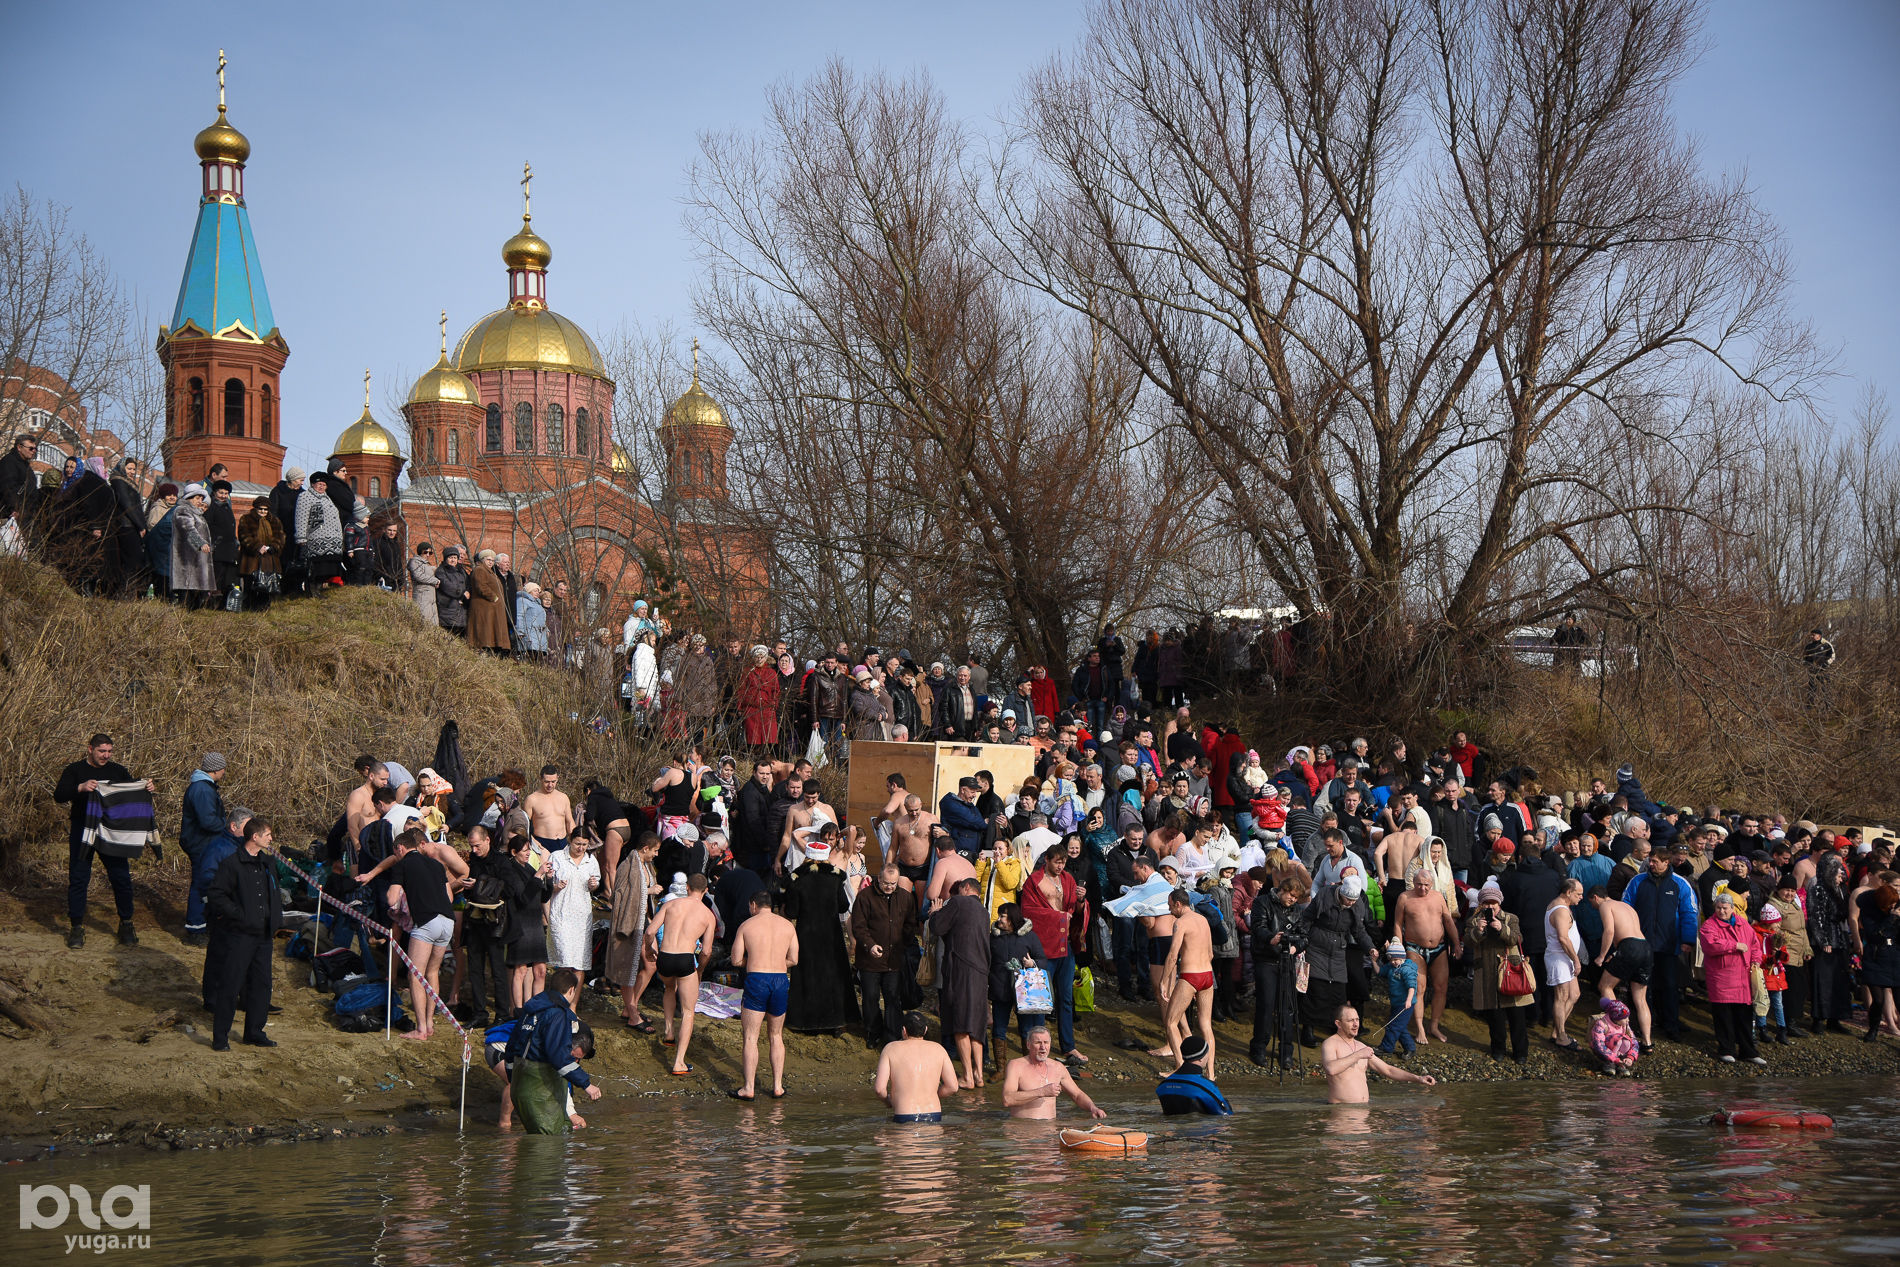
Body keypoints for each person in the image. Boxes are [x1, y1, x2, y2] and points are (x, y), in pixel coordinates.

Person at [52, 733, 155, 948]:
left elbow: (130, 794)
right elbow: (59, 795)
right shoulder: (74, 770)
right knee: (79, 878)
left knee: (121, 877)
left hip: (111, 830)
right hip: (83, 828)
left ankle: (126, 923)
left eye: (109, 751)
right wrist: (79, 788)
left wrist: (145, 788)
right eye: (102, 751)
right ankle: (76, 928)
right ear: (90, 749)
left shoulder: (118, 771)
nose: (106, 756)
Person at [205, 818, 282, 1052]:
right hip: (239, 936)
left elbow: (274, 892)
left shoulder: (268, 862)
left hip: (264, 936)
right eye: (267, 834)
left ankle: (254, 1032)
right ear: (254, 837)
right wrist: (239, 915)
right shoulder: (232, 864)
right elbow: (217, 895)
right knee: (230, 985)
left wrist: (275, 918)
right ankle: (220, 1037)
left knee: (262, 985)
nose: (271, 838)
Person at [503, 968, 603, 1134]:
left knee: (540, 1142)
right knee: (549, 1144)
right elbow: (559, 1057)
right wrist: (586, 1084)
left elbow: (511, 1048)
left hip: (519, 1088)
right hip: (538, 1091)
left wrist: (513, 1078)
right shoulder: (557, 1014)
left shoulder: (531, 1010)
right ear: (572, 990)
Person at [1622, 848, 1699, 1045]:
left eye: (1655, 861)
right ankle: (1641, 1024)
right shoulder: (1637, 881)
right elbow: (1625, 907)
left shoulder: (1680, 883)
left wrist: (1688, 940)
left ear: (1667, 862)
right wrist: (1626, 937)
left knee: (1670, 987)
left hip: (1669, 944)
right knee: (1640, 986)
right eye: (1650, 860)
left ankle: (1670, 1024)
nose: (1651, 864)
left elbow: (1689, 912)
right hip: (1641, 943)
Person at [783, 838, 859, 1033]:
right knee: (833, 975)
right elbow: (843, 905)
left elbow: (791, 911)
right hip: (830, 934)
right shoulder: (836, 877)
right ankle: (835, 1021)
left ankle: (805, 1023)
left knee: (807, 975)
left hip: (806, 934)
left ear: (807, 856)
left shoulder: (797, 878)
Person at [731, 889, 800, 1099]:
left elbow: (735, 960)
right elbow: (794, 959)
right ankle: (778, 1086)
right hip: (780, 980)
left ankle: (749, 1088)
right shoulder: (788, 926)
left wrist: (753, 962)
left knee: (751, 1036)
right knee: (776, 1035)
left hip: (757, 980)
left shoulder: (746, 926)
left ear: (753, 905)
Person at [647, 872, 717, 1074]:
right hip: (685, 959)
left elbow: (650, 931)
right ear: (705, 891)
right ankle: (679, 1062)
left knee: (669, 989)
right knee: (688, 1011)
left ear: (687, 888)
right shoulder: (707, 915)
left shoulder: (670, 905)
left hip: (665, 957)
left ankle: (669, 1032)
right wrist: (700, 969)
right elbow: (706, 950)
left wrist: (649, 949)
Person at [930, 875, 992, 1088]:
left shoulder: (958, 902)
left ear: (966, 888)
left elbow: (937, 928)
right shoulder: (984, 912)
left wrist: (936, 913)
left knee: (961, 1023)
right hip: (981, 971)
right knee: (976, 1023)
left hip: (961, 969)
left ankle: (966, 1076)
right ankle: (979, 1074)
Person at [851, 862, 919, 1049]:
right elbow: (858, 926)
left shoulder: (905, 898)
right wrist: (870, 945)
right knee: (871, 998)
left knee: (892, 998)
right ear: (879, 879)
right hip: (869, 960)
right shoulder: (865, 897)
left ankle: (892, 1034)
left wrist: (902, 944)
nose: (889, 887)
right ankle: (873, 1032)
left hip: (894, 960)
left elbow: (910, 923)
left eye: (893, 883)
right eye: (886, 883)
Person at [1391, 863, 1460, 1045]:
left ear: (1432, 884)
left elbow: (1448, 921)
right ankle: (1420, 1026)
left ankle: (1434, 1025)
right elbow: (1398, 924)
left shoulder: (1438, 897)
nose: (1423, 888)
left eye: (1426, 885)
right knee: (1418, 989)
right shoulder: (1405, 898)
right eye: (1419, 884)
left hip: (1439, 948)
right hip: (1415, 948)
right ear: (1413, 882)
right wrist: (1398, 947)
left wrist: (1457, 944)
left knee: (1441, 987)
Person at [1467, 878, 1532, 1063]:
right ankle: (1498, 1050)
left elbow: (1517, 939)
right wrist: (1478, 930)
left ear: (1499, 903)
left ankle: (1521, 1053)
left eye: (1493, 903)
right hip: (1487, 974)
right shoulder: (1473, 921)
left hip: (1510, 972)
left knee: (1517, 1017)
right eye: (1486, 903)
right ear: (1481, 904)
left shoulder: (1511, 918)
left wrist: (1502, 928)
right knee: (1494, 1017)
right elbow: (1469, 942)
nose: (1490, 906)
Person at [1319, 1004, 1438, 1104]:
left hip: (1363, 1113)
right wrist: (1358, 1055)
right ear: (1338, 1024)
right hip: (1341, 1114)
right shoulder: (1330, 1044)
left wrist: (1418, 1078)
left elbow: (1388, 1070)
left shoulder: (1361, 1047)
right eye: (1350, 1021)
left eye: (1357, 1020)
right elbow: (1331, 1068)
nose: (1356, 1024)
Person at [1700, 889, 1766, 1064]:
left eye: (1725, 908)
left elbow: (1755, 946)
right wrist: (1734, 945)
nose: (1722, 911)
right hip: (1722, 978)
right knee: (1724, 1017)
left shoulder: (1744, 924)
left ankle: (1748, 1051)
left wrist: (1756, 961)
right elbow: (1710, 945)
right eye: (1719, 908)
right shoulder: (1709, 925)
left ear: (1732, 909)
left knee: (1744, 1017)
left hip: (1743, 978)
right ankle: (1726, 1049)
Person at [606, 833, 662, 1032]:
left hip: (645, 921)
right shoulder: (627, 866)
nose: (656, 854)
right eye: (655, 850)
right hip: (629, 923)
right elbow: (618, 895)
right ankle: (632, 1014)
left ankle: (631, 1008)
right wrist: (648, 891)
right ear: (645, 848)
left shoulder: (647, 867)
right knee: (627, 968)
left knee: (651, 964)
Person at [1160, 887, 1218, 1077]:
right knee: (1206, 1025)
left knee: (1170, 1022)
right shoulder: (1203, 920)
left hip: (1191, 975)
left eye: (1170, 906)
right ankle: (1210, 1073)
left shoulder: (1180, 923)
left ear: (1178, 904)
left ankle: (1179, 1068)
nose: (1169, 911)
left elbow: (1172, 955)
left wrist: (1163, 981)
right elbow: (1210, 953)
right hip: (1207, 975)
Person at [1002, 1023, 1107, 1121]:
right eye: (1038, 1043)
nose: (1043, 1047)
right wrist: (1042, 1092)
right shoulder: (1016, 1065)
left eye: (1046, 1043)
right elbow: (1007, 1099)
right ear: (1028, 1045)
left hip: (1050, 1132)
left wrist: (1093, 1108)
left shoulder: (1058, 1067)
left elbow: (1077, 1095)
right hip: (1023, 1132)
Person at [178, 752, 228, 946]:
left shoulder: (204, 787)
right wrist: (226, 826)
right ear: (215, 769)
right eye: (223, 768)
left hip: (202, 842)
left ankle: (202, 923)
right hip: (201, 844)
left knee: (206, 883)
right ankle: (195, 928)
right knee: (201, 885)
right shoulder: (202, 790)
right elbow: (208, 821)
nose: (224, 772)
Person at [876, 1011, 961, 1123]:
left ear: (904, 1030)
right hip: (934, 1115)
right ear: (925, 1030)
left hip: (904, 1115)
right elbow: (953, 1087)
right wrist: (932, 1095)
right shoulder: (939, 1049)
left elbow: (879, 1089)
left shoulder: (890, 1048)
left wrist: (888, 1102)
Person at [501, 836, 554, 1010]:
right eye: (524, 851)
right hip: (520, 924)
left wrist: (549, 879)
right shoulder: (510, 870)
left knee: (541, 971)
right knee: (521, 970)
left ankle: (535, 1007)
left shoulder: (529, 868)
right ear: (514, 852)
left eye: (529, 850)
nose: (528, 853)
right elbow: (523, 898)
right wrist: (538, 875)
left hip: (535, 924)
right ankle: (518, 1009)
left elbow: (543, 897)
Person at [547, 833, 600, 971]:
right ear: (570, 840)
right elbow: (546, 885)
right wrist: (556, 886)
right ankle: (561, 992)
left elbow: (595, 885)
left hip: (582, 917)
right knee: (564, 961)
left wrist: (593, 885)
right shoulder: (557, 857)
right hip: (561, 914)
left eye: (584, 845)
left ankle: (575, 993)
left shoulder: (591, 860)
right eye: (577, 844)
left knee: (580, 963)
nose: (581, 848)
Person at [1545, 877, 1585, 1050]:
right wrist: (1576, 960)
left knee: (1574, 994)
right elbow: (1563, 937)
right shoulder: (1560, 910)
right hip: (1559, 957)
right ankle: (1561, 1035)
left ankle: (1557, 1031)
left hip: (1566, 958)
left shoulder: (1563, 907)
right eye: (1579, 894)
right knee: (1561, 997)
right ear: (1568, 892)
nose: (1581, 897)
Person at [1375, 939, 1418, 1058]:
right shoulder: (1391, 966)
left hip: (1405, 1004)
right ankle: (1410, 1048)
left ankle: (1386, 1047)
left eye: (1395, 959)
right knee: (1399, 1026)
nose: (1393, 962)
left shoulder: (1406, 969)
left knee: (1394, 1026)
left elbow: (1412, 986)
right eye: (1391, 959)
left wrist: (1409, 1000)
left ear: (1402, 957)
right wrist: (1374, 961)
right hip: (1396, 1002)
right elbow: (1379, 971)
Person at [524, 765, 576, 857]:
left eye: (553, 781)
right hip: (542, 844)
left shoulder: (563, 797)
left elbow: (569, 821)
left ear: (557, 779)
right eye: (547, 782)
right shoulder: (532, 799)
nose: (550, 785)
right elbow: (525, 825)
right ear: (540, 779)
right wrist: (533, 841)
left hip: (562, 843)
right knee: (545, 870)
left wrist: (576, 839)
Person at [1590, 998, 1640, 1076]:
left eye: (1628, 1017)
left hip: (1619, 1052)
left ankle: (1622, 1063)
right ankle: (1609, 1063)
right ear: (1616, 1018)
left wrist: (1630, 1057)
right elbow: (1598, 1045)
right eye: (1625, 1018)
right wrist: (1614, 1058)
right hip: (1604, 1051)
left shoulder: (1625, 1025)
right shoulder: (1601, 1024)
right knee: (1618, 1040)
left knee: (1627, 1040)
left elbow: (1634, 1042)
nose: (1628, 1020)